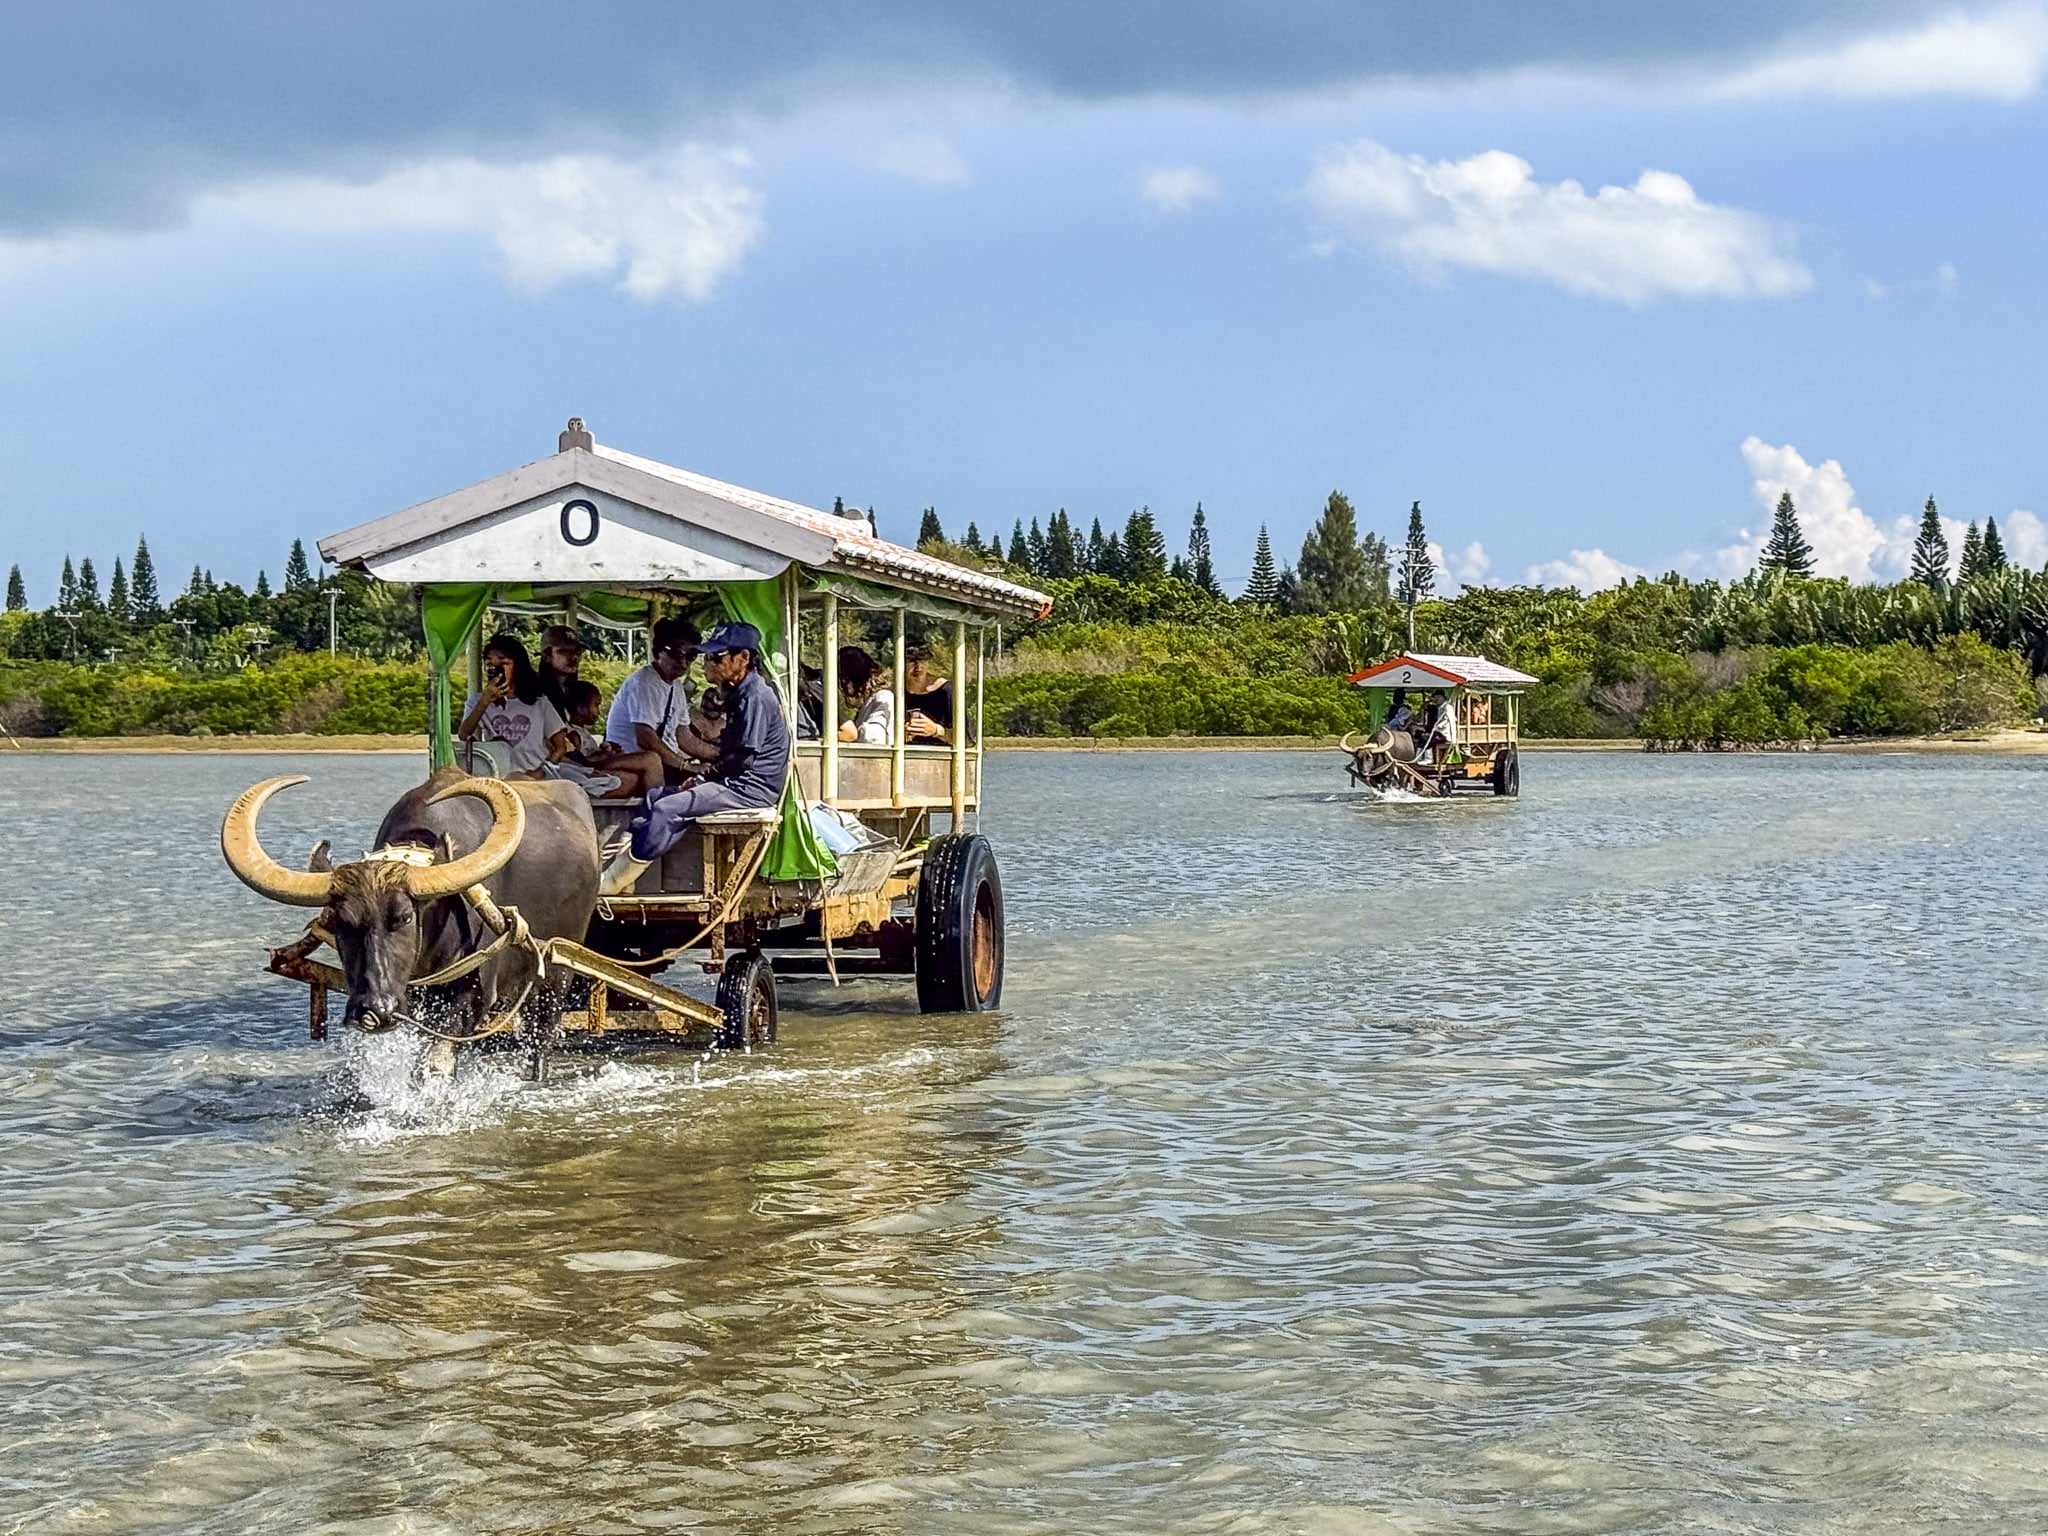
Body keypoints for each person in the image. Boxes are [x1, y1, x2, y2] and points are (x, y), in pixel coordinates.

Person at [603, 622, 793, 887]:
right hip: (734, 781)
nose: (707, 664)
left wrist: (705, 777)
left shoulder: (755, 697)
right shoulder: (739, 693)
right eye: (706, 657)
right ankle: (627, 875)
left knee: (667, 808)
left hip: (748, 788)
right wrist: (703, 771)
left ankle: (611, 884)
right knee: (656, 795)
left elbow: (742, 759)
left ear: (744, 658)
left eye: (716, 657)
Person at [605, 617, 712, 786]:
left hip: (665, 764)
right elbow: (646, 739)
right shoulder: (644, 683)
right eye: (677, 653)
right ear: (658, 651)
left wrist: (720, 754)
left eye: (691, 656)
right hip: (637, 764)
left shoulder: (675, 685)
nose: (683, 662)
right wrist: (685, 765)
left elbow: (685, 737)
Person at [460, 633, 566, 776]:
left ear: (517, 666)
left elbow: (560, 746)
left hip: (535, 776)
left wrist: (541, 772)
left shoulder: (539, 702)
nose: (496, 669)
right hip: (501, 776)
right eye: (490, 664)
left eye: (503, 664)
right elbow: (464, 734)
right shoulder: (478, 700)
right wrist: (483, 703)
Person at [552, 679, 650, 797]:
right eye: (596, 705)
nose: (598, 712)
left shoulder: (583, 731)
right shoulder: (574, 734)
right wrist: (605, 756)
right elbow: (579, 761)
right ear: (581, 708)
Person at [836, 646, 894, 744]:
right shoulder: (868, 701)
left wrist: (846, 734)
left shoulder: (883, 697)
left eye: (845, 678)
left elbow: (875, 737)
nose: (843, 684)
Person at [904, 641, 956, 743]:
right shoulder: (893, 693)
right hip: (903, 756)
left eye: (923, 660)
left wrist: (936, 730)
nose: (918, 666)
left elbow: (968, 739)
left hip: (939, 756)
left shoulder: (945, 691)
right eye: (911, 661)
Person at [536, 624, 584, 717]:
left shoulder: (573, 692)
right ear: (547, 656)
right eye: (564, 651)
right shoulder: (535, 691)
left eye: (577, 651)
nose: (574, 657)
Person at [1423, 689, 1458, 763]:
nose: (1436, 699)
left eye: (1438, 697)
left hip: (1445, 734)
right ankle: (1419, 757)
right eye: (1436, 698)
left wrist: (1439, 726)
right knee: (1423, 736)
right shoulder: (1439, 707)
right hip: (1439, 732)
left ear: (1442, 697)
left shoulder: (1448, 707)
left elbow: (1450, 720)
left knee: (1427, 738)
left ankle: (1429, 759)